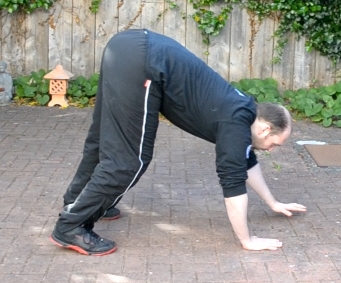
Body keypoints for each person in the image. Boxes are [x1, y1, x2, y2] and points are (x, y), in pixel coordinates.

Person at [50, 29, 307, 256]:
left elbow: (247, 161)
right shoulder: (236, 125)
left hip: (128, 46)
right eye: (276, 143)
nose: (273, 150)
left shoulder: (242, 111)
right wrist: (247, 240)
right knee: (130, 160)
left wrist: (273, 203)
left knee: (101, 142)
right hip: (145, 61)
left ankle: (78, 202)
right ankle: (71, 225)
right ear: (264, 128)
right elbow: (233, 187)